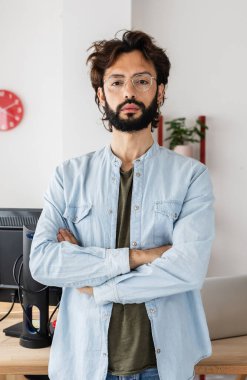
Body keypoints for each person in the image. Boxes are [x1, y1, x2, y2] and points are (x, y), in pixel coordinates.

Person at [30, 30, 215, 380]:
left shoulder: (191, 177)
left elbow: (188, 269)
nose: (129, 92)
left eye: (141, 80)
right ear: (101, 95)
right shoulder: (68, 176)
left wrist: (95, 284)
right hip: (84, 365)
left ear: (159, 91)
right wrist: (138, 256)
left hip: (164, 367)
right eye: (116, 82)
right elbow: (42, 261)